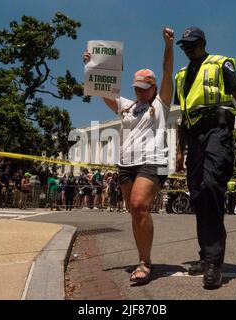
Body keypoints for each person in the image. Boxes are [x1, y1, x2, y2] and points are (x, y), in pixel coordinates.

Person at [83, 27, 174, 285]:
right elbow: (105, 92)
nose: (139, 91)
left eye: (144, 88)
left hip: (152, 161)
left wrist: (168, 46)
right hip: (126, 164)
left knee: (138, 205)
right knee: (135, 212)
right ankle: (144, 257)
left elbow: (167, 72)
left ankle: (144, 263)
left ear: (154, 87)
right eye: (136, 87)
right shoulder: (129, 106)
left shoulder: (161, 103)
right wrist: (92, 67)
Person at [175, 27, 236, 289]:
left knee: (213, 186)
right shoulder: (181, 76)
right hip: (194, 137)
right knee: (199, 196)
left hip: (218, 131)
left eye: (192, 44)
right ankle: (206, 256)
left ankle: (213, 262)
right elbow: (183, 116)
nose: (188, 49)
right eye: (184, 45)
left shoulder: (219, 64)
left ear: (203, 43)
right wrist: (180, 151)